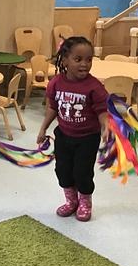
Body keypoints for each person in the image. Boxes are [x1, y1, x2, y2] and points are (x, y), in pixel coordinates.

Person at [36, 37, 109, 222]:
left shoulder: (94, 87)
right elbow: (52, 107)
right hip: (63, 136)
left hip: (87, 138)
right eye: (78, 59)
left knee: (82, 173)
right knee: (62, 170)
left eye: (89, 59)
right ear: (65, 60)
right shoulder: (56, 83)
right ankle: (71, 201)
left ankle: (85, 203)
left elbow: (102, 110)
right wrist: (43, 128)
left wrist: (106, 126)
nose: (84, 64)